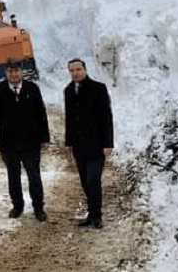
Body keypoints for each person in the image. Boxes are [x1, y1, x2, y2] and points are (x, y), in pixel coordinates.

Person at [0, 60, 50, 222]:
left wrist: (44, 137)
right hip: (9, 143)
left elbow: (41, 113)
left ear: (21, 72)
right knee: (13, 176)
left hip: (31, 141)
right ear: (5, 73)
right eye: (10, 72)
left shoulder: (32, 89)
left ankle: (38, 208)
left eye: (16, 71)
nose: (14, 75)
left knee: (34, 176)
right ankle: (17, 206)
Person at [64, 58, 114, 229]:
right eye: (72, 70)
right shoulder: (69, 90)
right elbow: (69, 119)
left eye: (78, 69)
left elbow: (106, 118)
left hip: (97, 144)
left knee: (93, 180)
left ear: (84, 69)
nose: (75, 73)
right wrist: (69, 143)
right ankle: (91, 214)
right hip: (79, 146)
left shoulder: (98, 89)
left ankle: (97, 215)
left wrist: (108, 143)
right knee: (85, 181)